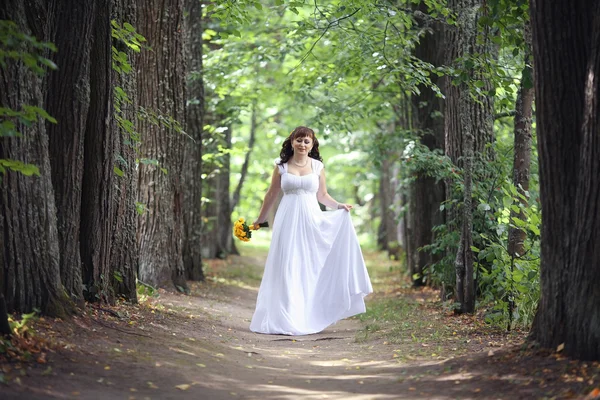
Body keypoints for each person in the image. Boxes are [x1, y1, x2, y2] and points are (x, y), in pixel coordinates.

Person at [249, 126, 373, 336]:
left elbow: (322, 195)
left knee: (308, 265)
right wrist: (259, 221)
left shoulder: (317, 166)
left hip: (311, 219)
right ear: (292, 142)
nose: (303, 144)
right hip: (287, 218)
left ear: (313, 144)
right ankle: (285, 316)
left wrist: (339, 206)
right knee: (288, 264)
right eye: (299, 140)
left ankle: (307, 314)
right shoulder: (281, 166)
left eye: (307, 141)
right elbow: (271, 195)